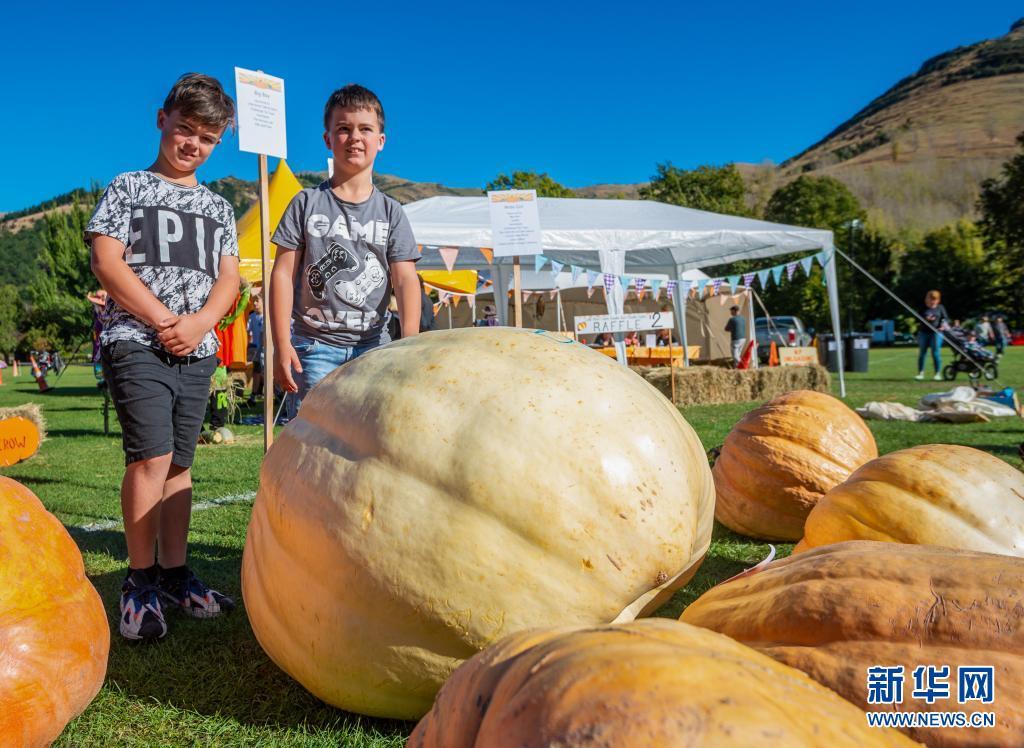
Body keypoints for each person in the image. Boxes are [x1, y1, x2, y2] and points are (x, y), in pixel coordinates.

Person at [87, 73, 240, 642]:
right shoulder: (128, 187)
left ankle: (175, 575)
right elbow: (108, 261)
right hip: (136, 340)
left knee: (179, 464)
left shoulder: (219, 208)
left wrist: (200, 324)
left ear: (218, 141)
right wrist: (162, 320)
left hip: (197, 348)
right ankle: (139, 580)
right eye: (184, 130)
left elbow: (228, 280)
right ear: (162, 121)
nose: (192, 144)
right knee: (150, 457)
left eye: (206, 137)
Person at [271, 84, 421, 416]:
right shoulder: (305, 203)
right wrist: (281, 344)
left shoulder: (392, 212)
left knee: (370, 441)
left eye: (365, 129)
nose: (354, 137)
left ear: (380, 141)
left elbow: (407, 279)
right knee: (312, 445)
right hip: (313, 348)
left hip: (375, 349)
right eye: (343, 129)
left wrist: (411, 342)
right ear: (328, 139)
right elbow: (282, 275)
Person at [915, 290, 949, 380]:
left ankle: (937, 373)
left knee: (935, 353)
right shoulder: (922, 308)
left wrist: (943, 326)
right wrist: (926, 318)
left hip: (936, 333)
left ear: (938, 300)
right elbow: (918, 318)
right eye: (930, 299)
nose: (932, 301)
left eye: (934, 299)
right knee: (922, 353)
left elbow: (945, 319)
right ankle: (920, 373)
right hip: (923, 333)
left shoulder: (940, 308)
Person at [245, 293, 264, 404]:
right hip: (256, 349)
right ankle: (253, 396)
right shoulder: (252, 316)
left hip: (267, 350)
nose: (255, 303)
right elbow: (249, 332)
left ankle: (278, 395)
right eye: (254, 301)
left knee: (266, 374)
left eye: (257, 301)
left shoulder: (267, 316)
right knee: (256, 372)